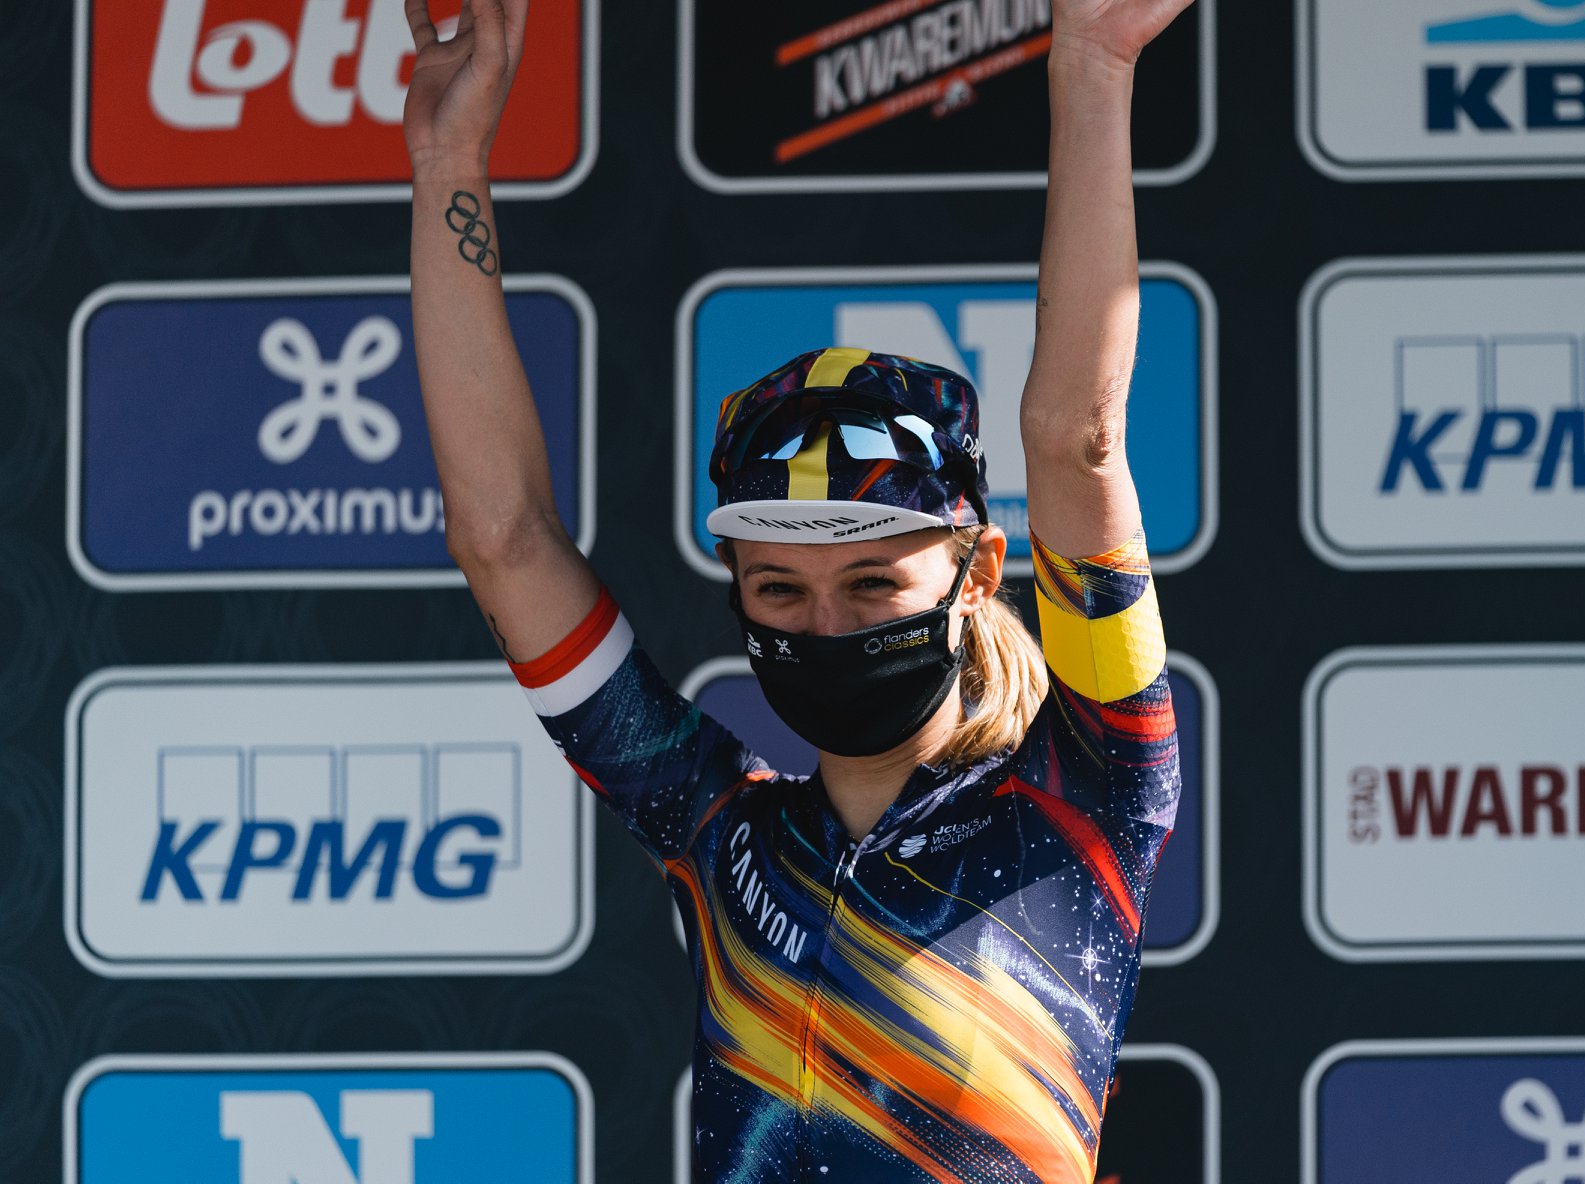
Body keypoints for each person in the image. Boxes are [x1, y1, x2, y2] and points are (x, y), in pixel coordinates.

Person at [403, 0, 1193, 1178]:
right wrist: (447, 161)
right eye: (778, 587)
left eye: (872, 580)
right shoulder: (719, 827)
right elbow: (502, 537)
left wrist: (1092, 62)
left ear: (978, 571)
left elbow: (1076, 441)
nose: (826, 624)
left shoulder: (1090, 792)